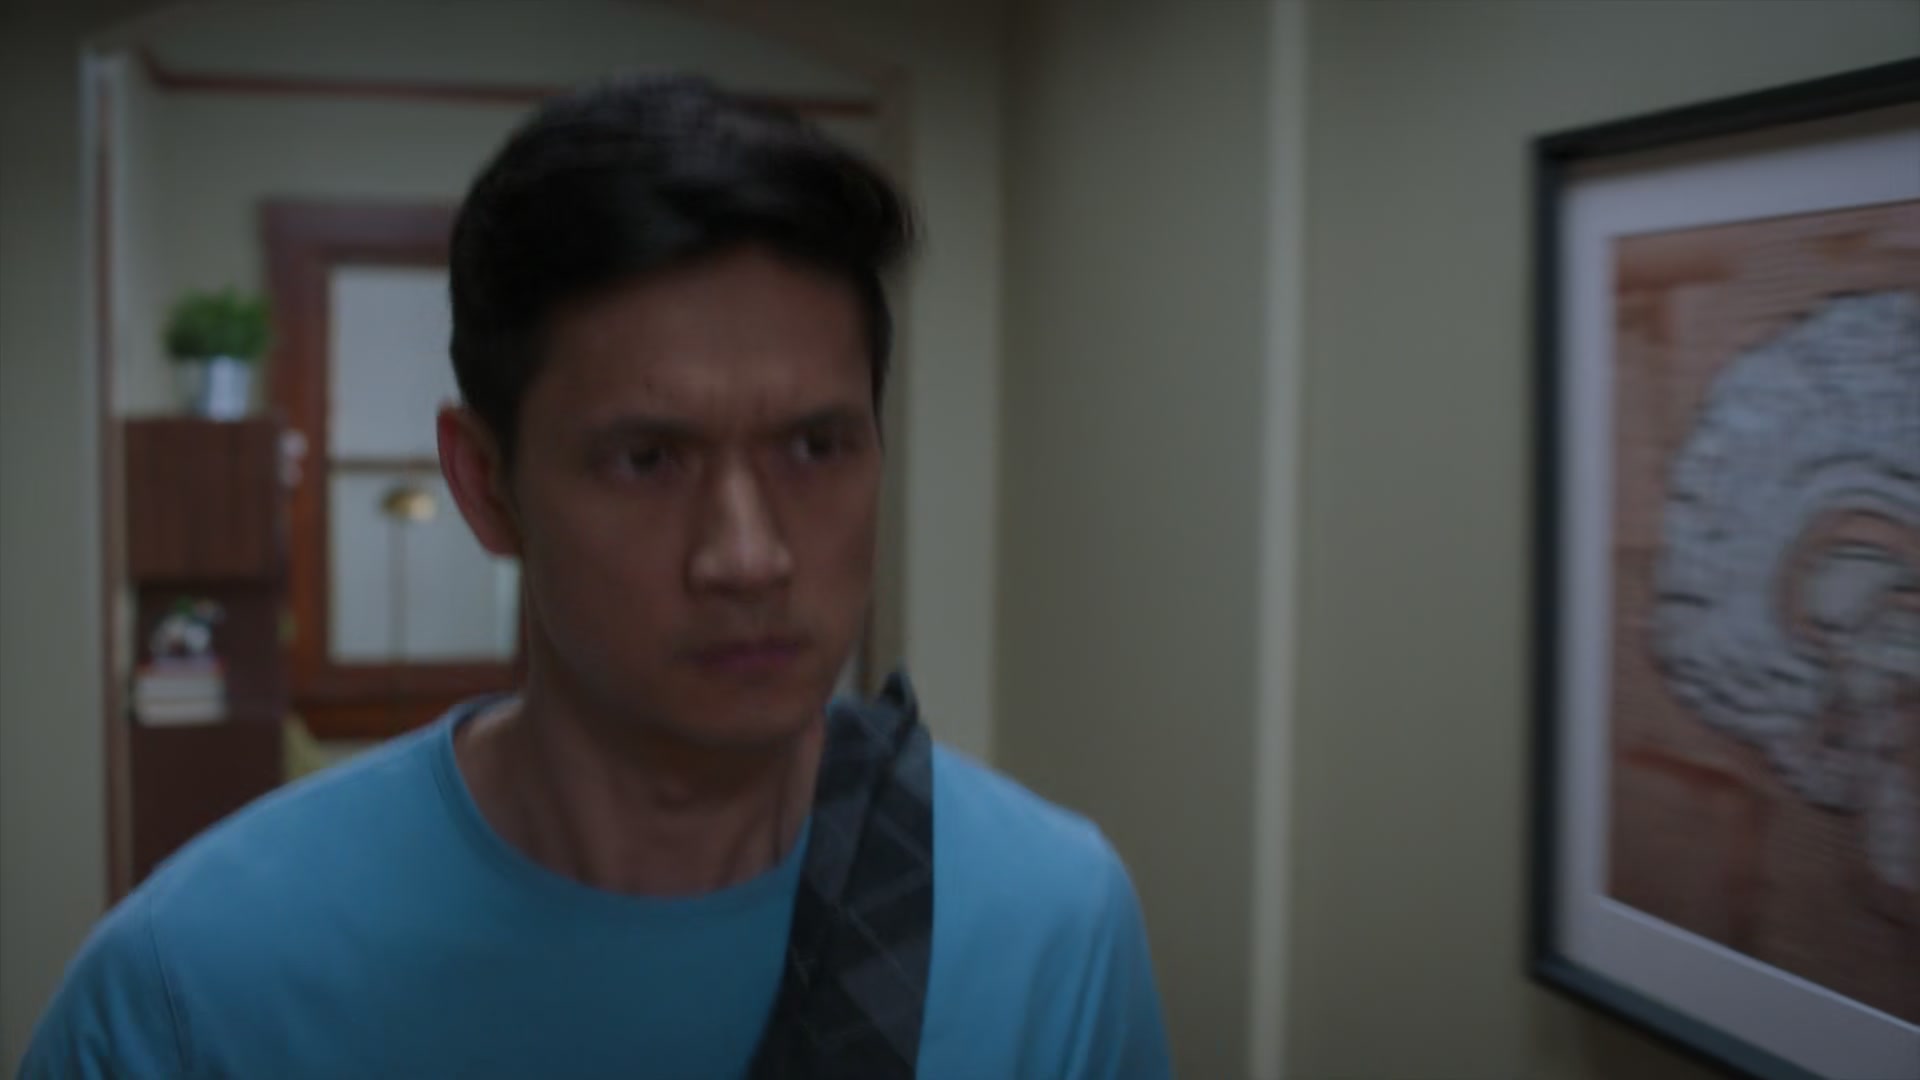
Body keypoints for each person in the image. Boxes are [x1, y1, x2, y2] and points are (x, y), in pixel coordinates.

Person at [21, 76, 1171, 1079]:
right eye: (648, 460)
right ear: (486, 485)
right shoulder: (197, 988)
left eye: (816, 447)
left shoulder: (1048, 928)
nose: (748, 555)